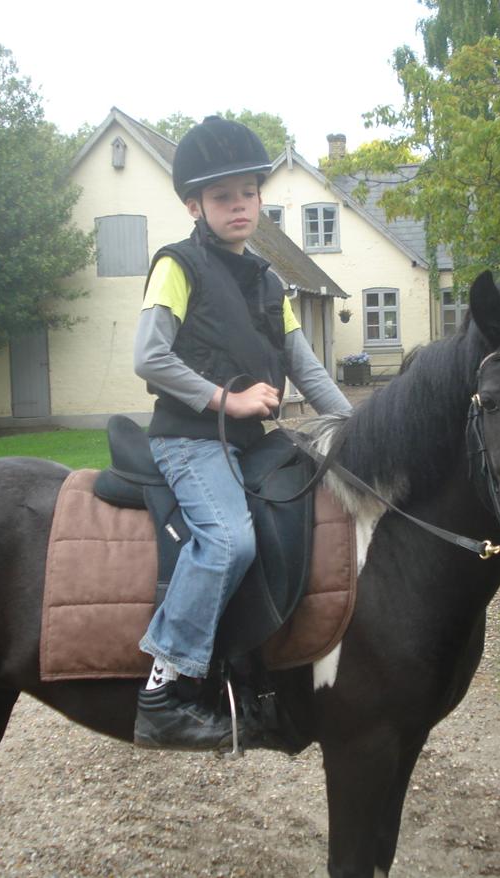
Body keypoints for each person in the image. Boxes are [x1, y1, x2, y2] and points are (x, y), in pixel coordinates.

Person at [132, 116, 352, 750]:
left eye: (248, 193)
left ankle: (261, 676)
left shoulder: (266, 277)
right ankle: (163, 688)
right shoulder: (176, 266)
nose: (238, 205)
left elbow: (304, 364)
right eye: (223, 196)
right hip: (192, 440)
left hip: (252, 443)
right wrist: (225, 400)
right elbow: (149, 357)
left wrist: (359, 430)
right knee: (229, 541)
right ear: (194, 205)